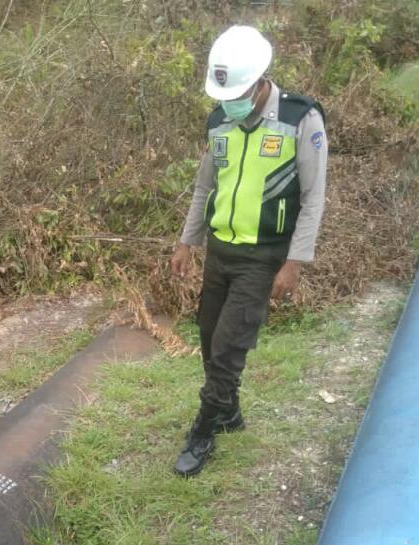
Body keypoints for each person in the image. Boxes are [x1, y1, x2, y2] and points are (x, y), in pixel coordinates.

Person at [169, 25, 328, 477]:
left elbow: (314, 196)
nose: (228, 103)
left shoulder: (300, 120)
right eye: (223, 95)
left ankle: (203, 431)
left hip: (263, 258)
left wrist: (295, 262)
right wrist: (187, 241)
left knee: (227, 348)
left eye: (237, 93)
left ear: (261, 82)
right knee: (208, 336)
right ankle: (230, 411)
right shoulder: (219, 120)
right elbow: (206, 185)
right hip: (220, 251)